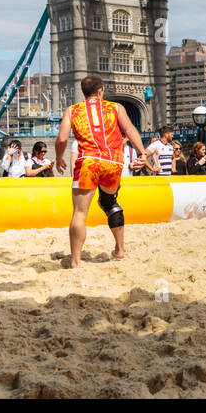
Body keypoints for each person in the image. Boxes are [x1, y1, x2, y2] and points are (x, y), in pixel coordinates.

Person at [54, 75, 150, 269]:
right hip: (112, 161)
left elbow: (62, 139)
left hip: (88, 161)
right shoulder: (116, 108)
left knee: (80, 213)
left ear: (83, 92)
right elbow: (130, 129)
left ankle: (75, 261)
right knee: (109, 202)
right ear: (101, 90)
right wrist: (142, 152)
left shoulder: (72, 110)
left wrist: (58, 158)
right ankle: (120, 250)